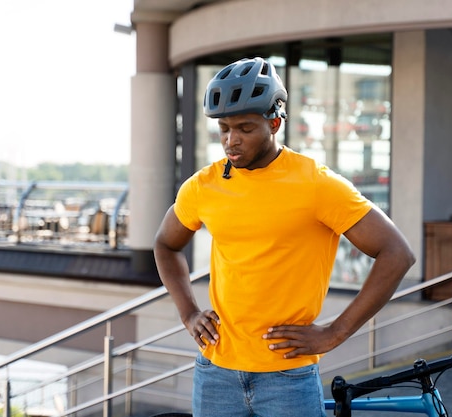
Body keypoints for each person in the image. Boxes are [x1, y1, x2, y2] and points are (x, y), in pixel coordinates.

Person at [153, 57, 415, 417]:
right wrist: (188, 313)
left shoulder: (316, 184)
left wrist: (335, 333)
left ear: (274, 122)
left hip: (287, 378)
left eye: (245, 128)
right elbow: (166, 245)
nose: (231, 140)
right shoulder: (202, 187)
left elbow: (396, 253)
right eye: (224, 128)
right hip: (216, 373)